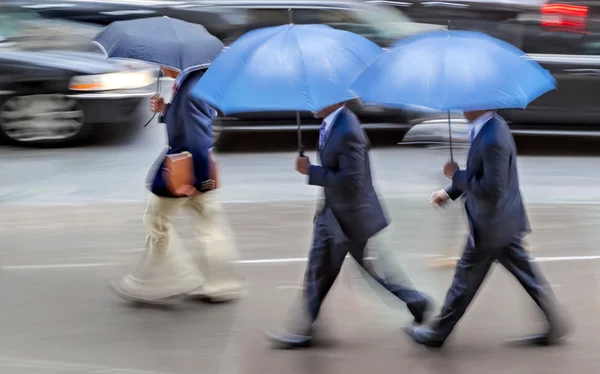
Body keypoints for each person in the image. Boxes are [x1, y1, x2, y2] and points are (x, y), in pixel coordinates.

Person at [266, 102, 431, 348]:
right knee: (318, 271)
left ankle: (416, 301)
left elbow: (352, 181)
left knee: (372, 273)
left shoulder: (348, 130)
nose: (311, 102)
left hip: (353, 220)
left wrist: (311, 171)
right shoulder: (332, 124)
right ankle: (305, 329)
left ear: (333, 99)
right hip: (333, 216)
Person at [405, 110, 569, 347]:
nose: (462, 107)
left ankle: (437, 334)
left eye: (467, 101)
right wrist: (449, 191)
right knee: (526, 275)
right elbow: (481, 175)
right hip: (503, 222)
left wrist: (456, 175)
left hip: (491, 225)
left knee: (465, 278)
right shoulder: (490, 127)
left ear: (481, 104)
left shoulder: (493, 137)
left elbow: (492, 189)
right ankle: (555, 324)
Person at [109, 66, 243, 305]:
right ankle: (223, 285)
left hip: (184, 166)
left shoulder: (191, 88)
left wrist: (197, 180)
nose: (160, 68)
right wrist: (166, 110)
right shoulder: (196, 82)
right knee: (208, 223)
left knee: (156, 221)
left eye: (162, 64)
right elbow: (193, 121)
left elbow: (197, 135)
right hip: (197, 164)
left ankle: (169, 279)